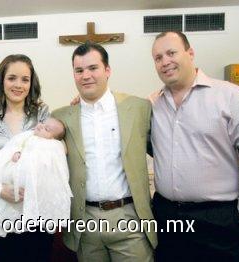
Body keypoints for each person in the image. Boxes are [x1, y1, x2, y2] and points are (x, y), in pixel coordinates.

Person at [52, 41, 157, 262]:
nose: (86, 75)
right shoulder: (61, 116)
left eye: (93, 68)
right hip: (85, 221)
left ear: (107, 70)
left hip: (130, 218)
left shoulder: (139, 108)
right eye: (79, 70)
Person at [150, 31, 239, 261]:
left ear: (190, 53)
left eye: (171, 53)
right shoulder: (152, 104)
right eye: (158, 57)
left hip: (217, 218)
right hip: (167, 216)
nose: (165, 62)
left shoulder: (231, 96)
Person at [0, 54, 53, 262]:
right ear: (2, 80)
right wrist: (1, 190)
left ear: (31, 83)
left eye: (25, 79)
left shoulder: (42, 114)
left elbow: (56, 151)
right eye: (12, 78)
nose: (18, 85)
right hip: (4, 209)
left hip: (37, 210)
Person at [0, 117, 72, 237]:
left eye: (47, 129)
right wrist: (16, 154)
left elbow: (53, 168)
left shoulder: (52, 146)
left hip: (32, 192)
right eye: (42, 123)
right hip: (9, 187)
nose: (40, 126)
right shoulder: (28, 136)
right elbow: (16, 147)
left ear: (53, 138)